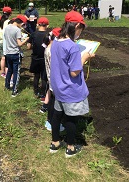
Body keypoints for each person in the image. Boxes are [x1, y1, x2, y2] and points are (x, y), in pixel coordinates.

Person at [49, 10, 95, 157]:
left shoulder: (56, 40)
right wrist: (85, 57)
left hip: (58, 87)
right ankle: (70, 147)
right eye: (81, 28)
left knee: (57, 115)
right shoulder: (73, 47)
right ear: (76, 26)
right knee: (71, 118)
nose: (80, 32)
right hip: (70, 88)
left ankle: (55, 143)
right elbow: (74, 72)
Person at [4, 14, 29, 97]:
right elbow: (20, 44)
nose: (22, 26)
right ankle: (14, 91)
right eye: (22, 24)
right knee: (16, 72)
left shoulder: (7, 27)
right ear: (20, 22)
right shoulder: (17, 30)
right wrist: (26, 39)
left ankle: (7, 86)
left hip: (8, 52)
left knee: (9, 70)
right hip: (15, 53)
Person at [27, 17, 49, 99]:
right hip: (45, 59)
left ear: (37, 24)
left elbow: (29, 47)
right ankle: (43, 93)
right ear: (47, 25)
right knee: (44, 77)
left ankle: (36, 91)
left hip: (35, 58)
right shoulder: (48, 35)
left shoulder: (33, 34)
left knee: (36, 75)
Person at [0, 7, 12, 78]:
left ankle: (2, 72)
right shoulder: (8, 22)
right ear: (10, 13)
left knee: (2, 57)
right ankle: (8, 73)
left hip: (0, 41)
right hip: (6, 42)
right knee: (7, 59)